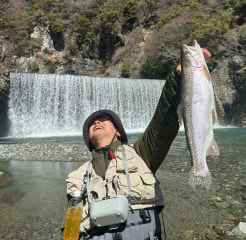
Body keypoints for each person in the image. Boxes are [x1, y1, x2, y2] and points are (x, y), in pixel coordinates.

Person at [65, 48, 211, 240]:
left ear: (118, 132)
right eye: (92, 123)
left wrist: (177, 79)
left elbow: (163, 121)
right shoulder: (76, 177)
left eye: (103, 120)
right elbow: (70, 226)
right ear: (88, 139)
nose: (96, 122)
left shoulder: (141, 154)